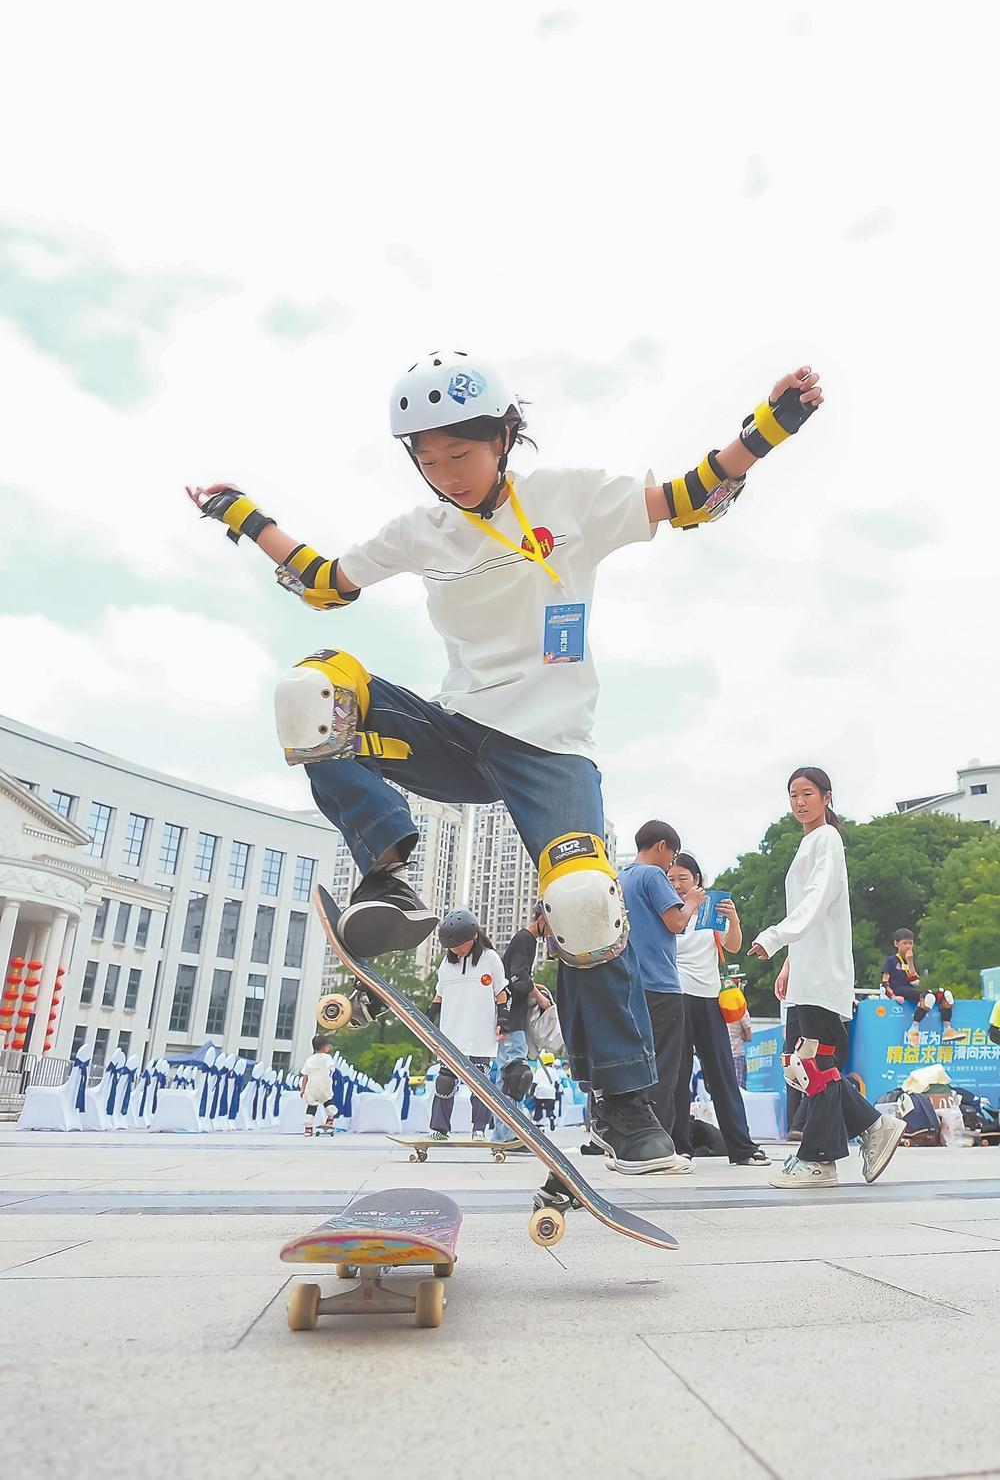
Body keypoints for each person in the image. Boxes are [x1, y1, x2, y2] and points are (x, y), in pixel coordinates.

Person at [188, 351, 822, 1174]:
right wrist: (238, 511)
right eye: (428, 460)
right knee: (310, 691)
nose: (446, 474)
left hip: (551, 750)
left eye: (461, 454)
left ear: (503, 439)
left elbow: (689, 494)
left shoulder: (568, 499)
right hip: (456, 732)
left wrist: (769, 426)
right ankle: (385, 868)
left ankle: (625, 1106)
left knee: (586, 904)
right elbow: (323, 581)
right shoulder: (422, 531)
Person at [748, 767, 906, 1188]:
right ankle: (873, 1126)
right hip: (807, 971)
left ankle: (819, 1160)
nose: (799, 802)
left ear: (826, 797)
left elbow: (817, 902)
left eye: (807, 794)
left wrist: (775, 938)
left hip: (824, 976)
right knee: (802, 1065)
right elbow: (811, 913)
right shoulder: (808, 843)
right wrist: (790, 962)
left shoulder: (828, 840)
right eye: (793, 795)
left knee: (815, 1063)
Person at [668, 853, 770, 1167]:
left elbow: (733, 945)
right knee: (678, 1074)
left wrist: (734, 919)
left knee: (723, 1073)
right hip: (678, 995)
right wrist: (687, 905)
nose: (677, 884)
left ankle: (742, 1147)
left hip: (710, 997)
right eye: (671, 879)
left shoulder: (711, 909)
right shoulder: (668, 911)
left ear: (697, 879)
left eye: (683, 878)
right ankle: (679, 1146)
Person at [619, 820, 704, 1174]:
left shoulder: (621, 876)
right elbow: (676, 923)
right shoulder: (652, 876)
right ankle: (660, 1147)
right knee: (665, 1071)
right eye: (671, 857)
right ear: (663, 847)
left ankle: (631, 1146)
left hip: (629, 984)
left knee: (635, 1070)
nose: (671, 867)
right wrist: (693, 901)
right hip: (661, 984)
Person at [427, 909, 507, 1139]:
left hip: (480, 1033)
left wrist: (503, 1019)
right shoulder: (447, 964)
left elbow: (501, 991)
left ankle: (479, 1129)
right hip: (451, 1033)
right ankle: (440, 1129)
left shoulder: (490, 958)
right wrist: (430, 1014)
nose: (455, 949)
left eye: (459, 944)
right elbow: (439, 993)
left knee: (479, 1084)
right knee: (444, 1082)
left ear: (473, 938)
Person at [493, 901, 549, 1146]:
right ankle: (510, 1133)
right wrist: (540, 999)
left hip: (510, 1019)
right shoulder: (526, 939)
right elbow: (518, 979)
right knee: (515, 1076)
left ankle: (505, 1133)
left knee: (509, 1076)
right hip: (511, 1020)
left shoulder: (527, 940)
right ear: (543, 919)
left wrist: (536, 988)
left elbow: (519, 979)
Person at [881, 929, 961, 1047]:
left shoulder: (912, 960)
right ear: (896, 944)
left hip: (910, 989)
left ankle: (947, 1029)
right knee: (928, 996)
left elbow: (915, 982)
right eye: (905, 943)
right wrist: (893, 996)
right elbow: (884, 982)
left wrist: (910, 962)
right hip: (899, 989)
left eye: (910, 943)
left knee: (945, 994)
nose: (908, 946)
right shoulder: (891, 961)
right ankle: (913, 1029)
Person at [299, 1035, 337, 1137]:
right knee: (328, 1101)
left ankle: (308, 1129)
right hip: (324, 1085)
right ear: (325, 1047)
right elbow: (332, 1069)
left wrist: (303, 1089)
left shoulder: (310, 1060)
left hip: (312, 1086)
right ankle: (330, 1120)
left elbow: (305, 1076)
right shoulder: (328, 1058)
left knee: (311, 1107)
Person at [531, 1054, 558, 1131]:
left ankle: (539, 1123)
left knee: (538, 1108)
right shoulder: (554, 1071)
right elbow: (556, 1083)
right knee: (550, 1109)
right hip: (550, 1093)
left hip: (540, 1092)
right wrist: (555, 1091)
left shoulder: (539, 1071)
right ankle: (551, 1117)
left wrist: (531, 1093)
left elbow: (534, 1083)